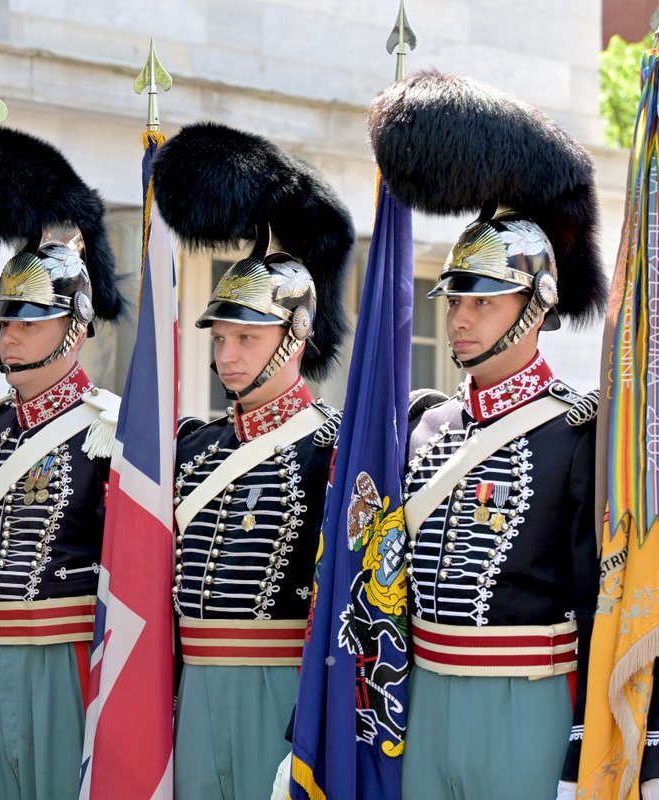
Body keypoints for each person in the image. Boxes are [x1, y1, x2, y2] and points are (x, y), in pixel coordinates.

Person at [369, 70, 606, 800]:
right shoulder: (423, 421)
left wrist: (580, 749)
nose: (459, 317)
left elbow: (597, 594)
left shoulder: (577, 431)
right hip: (424, 696)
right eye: (455, 299)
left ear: (534, 308)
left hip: (525, 698)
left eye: (481, 299)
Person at [151, 121, 354, 799]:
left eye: (246, 336)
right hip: (192, 690)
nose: (226, 354)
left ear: (295, 336)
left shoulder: (331, 445)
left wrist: (312, 731)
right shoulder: (192, 444)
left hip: (282, 691)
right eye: (222, 336)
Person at [0, 124, 124, 800]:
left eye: (29, 323)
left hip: (65, 660)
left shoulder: (111, 430)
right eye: (5, 323)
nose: (9, 338)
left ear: (75, 327)